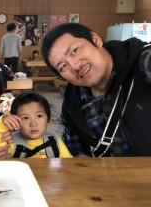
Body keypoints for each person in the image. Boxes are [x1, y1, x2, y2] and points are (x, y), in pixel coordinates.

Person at [41, 22, 151, 157]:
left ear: (95, 39)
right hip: (111, 176)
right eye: (63, 66)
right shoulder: (72, 107)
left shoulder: (143, 64)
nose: (75, 66)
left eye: (75, 51)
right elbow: (76, 154)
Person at [0, 92, 72, 158]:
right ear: (16, 120)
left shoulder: (55, 141)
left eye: (39, 116)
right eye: (25, 118)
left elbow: (68, 164)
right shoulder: (10, 141)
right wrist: (2, 123)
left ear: (49, 118)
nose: (33, 124)